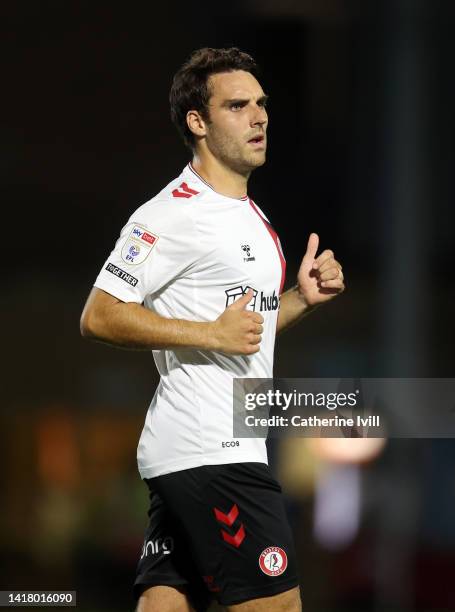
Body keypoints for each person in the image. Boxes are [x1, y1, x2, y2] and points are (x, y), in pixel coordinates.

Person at [80, 47, 345, 612]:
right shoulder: (170, 214)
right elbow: (99, 314)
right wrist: (209, 334)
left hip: (196, 452)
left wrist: (302, 299)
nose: (260, 116)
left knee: (166, 605)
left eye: (262, 103)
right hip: (213, 451)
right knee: (277, 606)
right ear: (197, 123)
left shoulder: (250, 214)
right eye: (238, 105)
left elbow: (244, 332)